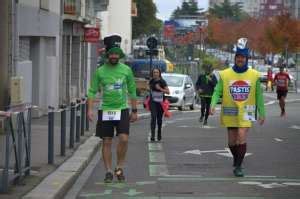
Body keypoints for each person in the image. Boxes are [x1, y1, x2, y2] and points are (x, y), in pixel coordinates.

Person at [210, 38, 265, 177]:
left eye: (243, 57)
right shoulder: (225, 74)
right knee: (231, 142)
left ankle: (239, 167)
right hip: (230, 110)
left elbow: (259, 94)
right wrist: (212, 105)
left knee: (241, 136)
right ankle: (237, 158)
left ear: (246, 59)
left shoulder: (254, 75)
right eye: (238, 57)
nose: (240, 59)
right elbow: (217, 91)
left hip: (247, 110)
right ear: (235, 58)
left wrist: (262, 112)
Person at [87, 34, 138, 183]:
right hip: (106, 110)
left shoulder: (126, 70)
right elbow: (92, 91)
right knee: (107, 141)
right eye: (112, 54)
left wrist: (134, 111)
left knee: (124, 138)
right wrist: (90, 110)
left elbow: (133, 90)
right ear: (107, 55)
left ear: (120, 55)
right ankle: (109, 170)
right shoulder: (100, 71)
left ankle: (119, 167)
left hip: (122, 109)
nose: (114, 56)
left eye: (117, 53)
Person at [149, 68, 170, 142]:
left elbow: (168, 92)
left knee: (159, 119)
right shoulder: (151, 81)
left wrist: (160, 88)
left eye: (157, 72)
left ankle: (159, 133)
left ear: (159, 73)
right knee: (153, 118)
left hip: (160, 103)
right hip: (153, 102)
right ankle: (152, 135)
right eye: (154, 72)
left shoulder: (162, 81)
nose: (155, 74)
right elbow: (150, 90)